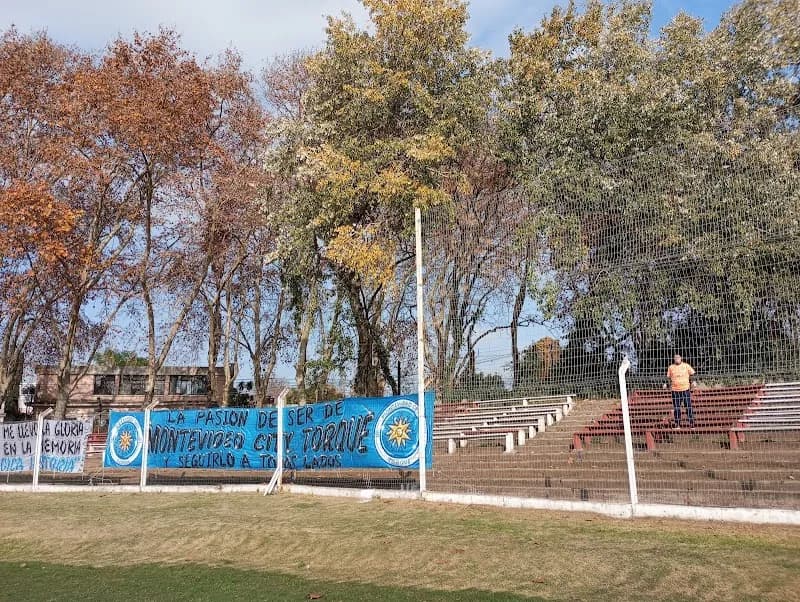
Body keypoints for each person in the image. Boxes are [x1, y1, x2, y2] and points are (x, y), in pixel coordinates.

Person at [664, 354, 695, 428]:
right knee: (676, 408)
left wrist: (693, 382)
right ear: (674, 359)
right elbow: (668, 378)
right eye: (675, 358)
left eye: (678, 357)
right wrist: (667, 385)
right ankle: (677, 424)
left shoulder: (686, 366)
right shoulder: (671, 367)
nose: (677, 359)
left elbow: (692, 374)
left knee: (688, 406)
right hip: (675, 391)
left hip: (685, 389)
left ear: (681, 358)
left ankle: (691, 423)